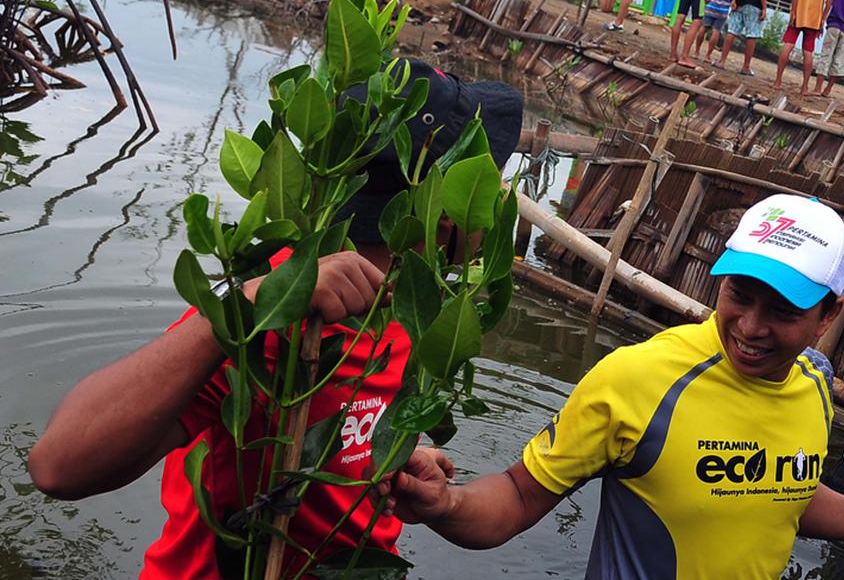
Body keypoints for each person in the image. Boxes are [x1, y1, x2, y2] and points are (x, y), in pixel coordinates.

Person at [28, 59, 525, 577]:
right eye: (487, 180)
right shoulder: (273, 309)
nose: (497, 199)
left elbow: (347, 421)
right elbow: (58, 466)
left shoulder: (417, 308)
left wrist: (394, 451)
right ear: (447, 209)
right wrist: (244, 308)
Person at [376, 194, 844, 576]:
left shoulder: (814, 384)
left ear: (829, 315)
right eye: (739, 295)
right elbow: (518, 497)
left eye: (783, 311)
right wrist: (447, 504)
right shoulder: (638, 379)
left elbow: (781, 492)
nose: (751, 327)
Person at [772, 0, 835, 95]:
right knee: (808, 52)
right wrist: (822, 19)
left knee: (788, 45)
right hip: (814, 19)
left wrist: (793, 12)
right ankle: (805, 87)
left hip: (798, 16)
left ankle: (778, 81)